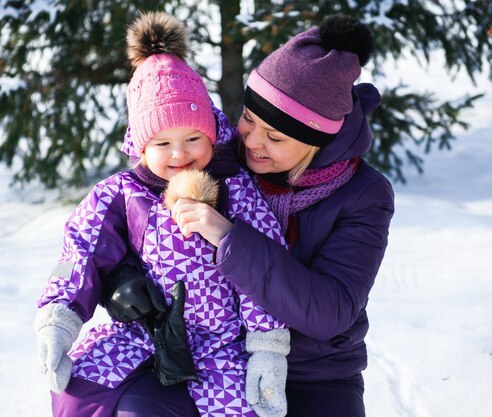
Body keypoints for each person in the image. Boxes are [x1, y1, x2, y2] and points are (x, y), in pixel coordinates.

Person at [104, 14, 395, 417]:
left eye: (274, 137)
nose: (252, 141)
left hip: (313, 372)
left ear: (316, 142)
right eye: (248, 119)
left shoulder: (362, 194)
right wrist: (121, 281)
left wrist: (231, 239)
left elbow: (331, 311)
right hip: (201, 357)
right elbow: (130, 219)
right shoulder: (215, 154)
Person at [34, 11, 291, 417]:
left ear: (212, 134)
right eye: (162, 142)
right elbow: (80, 252)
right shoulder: (122, 194)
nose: (179, 154)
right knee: (79, 393)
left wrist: (268, 347)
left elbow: (262, 268)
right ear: (139, 144)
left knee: (244, 409)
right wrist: (59, 320)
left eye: (193, 138)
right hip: (140, 332)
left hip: (219, 343)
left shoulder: (236, 189)